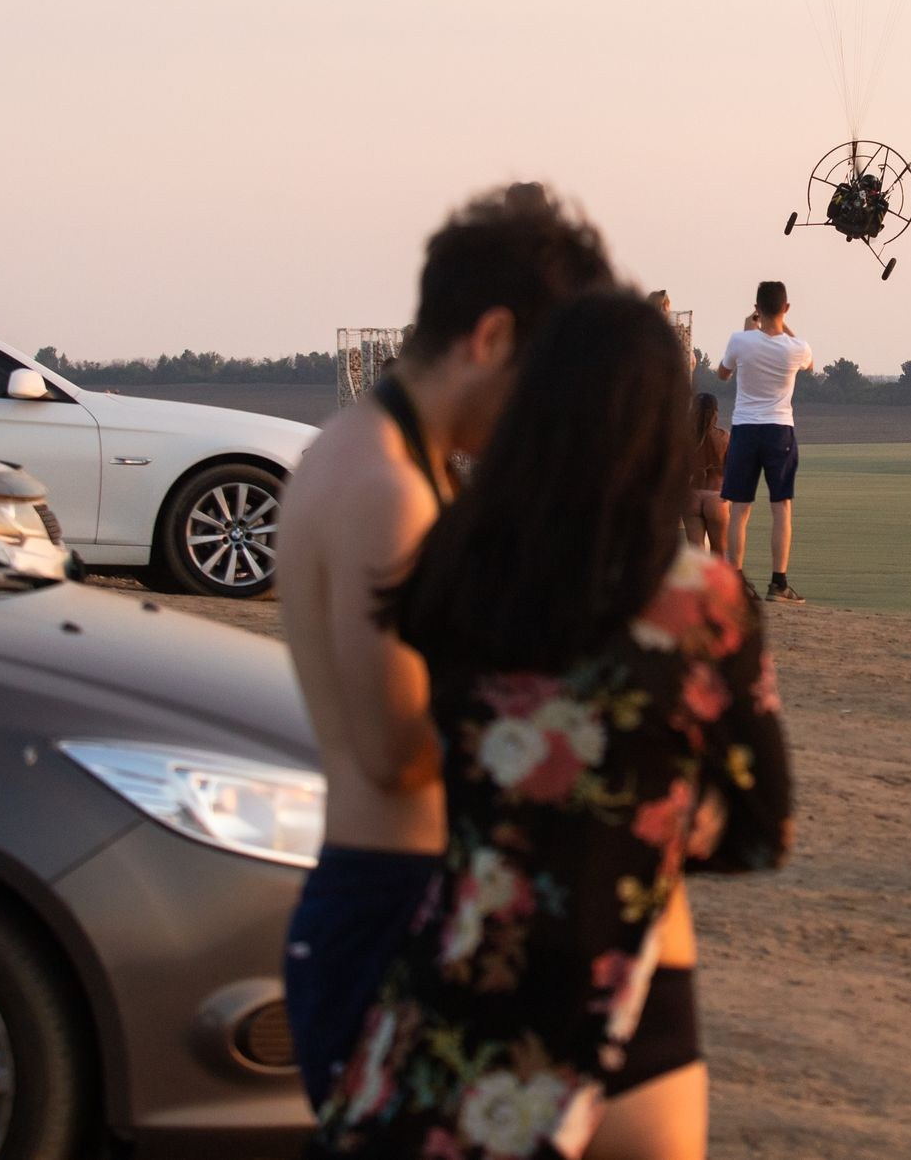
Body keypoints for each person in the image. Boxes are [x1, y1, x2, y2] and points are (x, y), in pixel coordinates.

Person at [313, 291, 793, 1159]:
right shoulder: (707, 604)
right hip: (636, 989)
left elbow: (403, 750)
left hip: (467, 983)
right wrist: (629, 819)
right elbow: (766, 832)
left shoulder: (450, 563)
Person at [278, 182, 611, 1109]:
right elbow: (395, 750)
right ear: (493, 338)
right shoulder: (387, 490)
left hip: (385, 896)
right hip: (392, 909)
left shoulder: (356, 454)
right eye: (539, 382)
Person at [715, 281, 814, 603]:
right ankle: (778, 583)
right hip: (779, 430)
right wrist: (780, 325)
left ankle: (735, 580)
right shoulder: (796, 347)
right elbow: (810, 365)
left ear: (756, 308)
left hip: (744, 429)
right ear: (785, 309)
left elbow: (722, 374)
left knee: (739, 508)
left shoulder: (740, 341)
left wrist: (749, 331)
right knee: (781, 507)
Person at [684, 392, 729, 555]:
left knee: (696, 556)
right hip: (716, 498)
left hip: (691, 496)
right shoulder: (724, 437)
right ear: (715, 412)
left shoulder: (685, 437)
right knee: (719, 554)